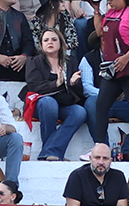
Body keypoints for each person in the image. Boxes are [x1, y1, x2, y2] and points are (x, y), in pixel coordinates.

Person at [90, 0, 129, 155]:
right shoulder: (111, 13)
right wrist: (97, 11)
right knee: (101, 104)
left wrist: (126, 57)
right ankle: (99, 147)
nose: (109, 2)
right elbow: (99, 32)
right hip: (114, 67)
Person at [25, 28, 85, 161]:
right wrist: (56, 83)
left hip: (63, 103)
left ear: (60, 43)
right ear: (41, 44)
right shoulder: (34, 61)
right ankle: (50, 152)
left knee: (79, 112)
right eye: (46, 40)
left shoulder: (70, 62)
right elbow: (34, 87)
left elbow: (80, 92)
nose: (50, 42)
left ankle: (49, 151)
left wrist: (72, 83)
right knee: (49, 103)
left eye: (54, 39)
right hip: (40, 104)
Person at [60, 142, 129, 206]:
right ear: (90, 158)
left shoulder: (118, 176)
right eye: (97, 158)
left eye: (105, 158)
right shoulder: (77, 175)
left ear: (111, 160)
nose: (101, 162)